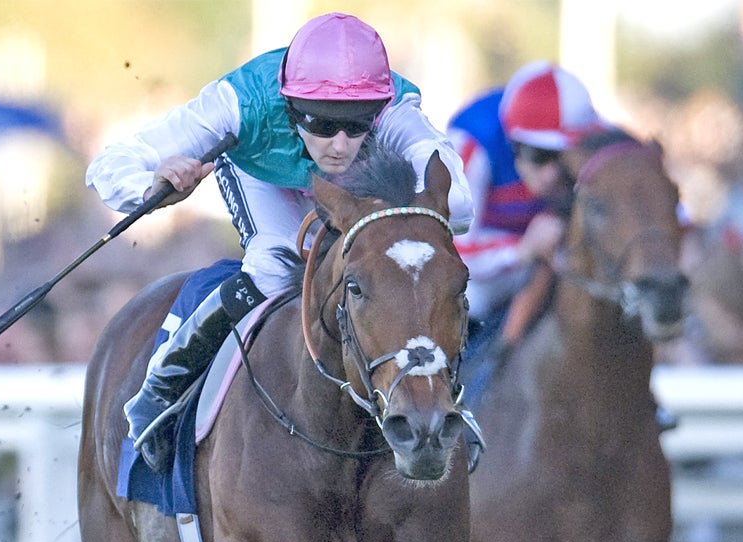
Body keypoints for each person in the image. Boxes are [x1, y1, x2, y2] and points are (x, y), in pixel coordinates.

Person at [86, 12, 473, 473]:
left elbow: (460, 207)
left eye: (357, 124)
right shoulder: (236, 102)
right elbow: (108, 167)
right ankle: (161, 389)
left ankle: (433, 395)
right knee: (274, 265)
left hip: (355, 193)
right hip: (261, 176)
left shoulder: (395, 109)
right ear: (290, 106)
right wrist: (154, 184)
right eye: (324, 124)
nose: (341, 144)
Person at [447, 61, 603, 355]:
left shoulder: (594, 131)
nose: (552, 175)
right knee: (469, 296)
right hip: (485, 272)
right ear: (512, 142)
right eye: (540, 155)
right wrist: (523, 249)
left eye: (564, 157)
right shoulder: (470, 143)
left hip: (549, 259)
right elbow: (453, 251)